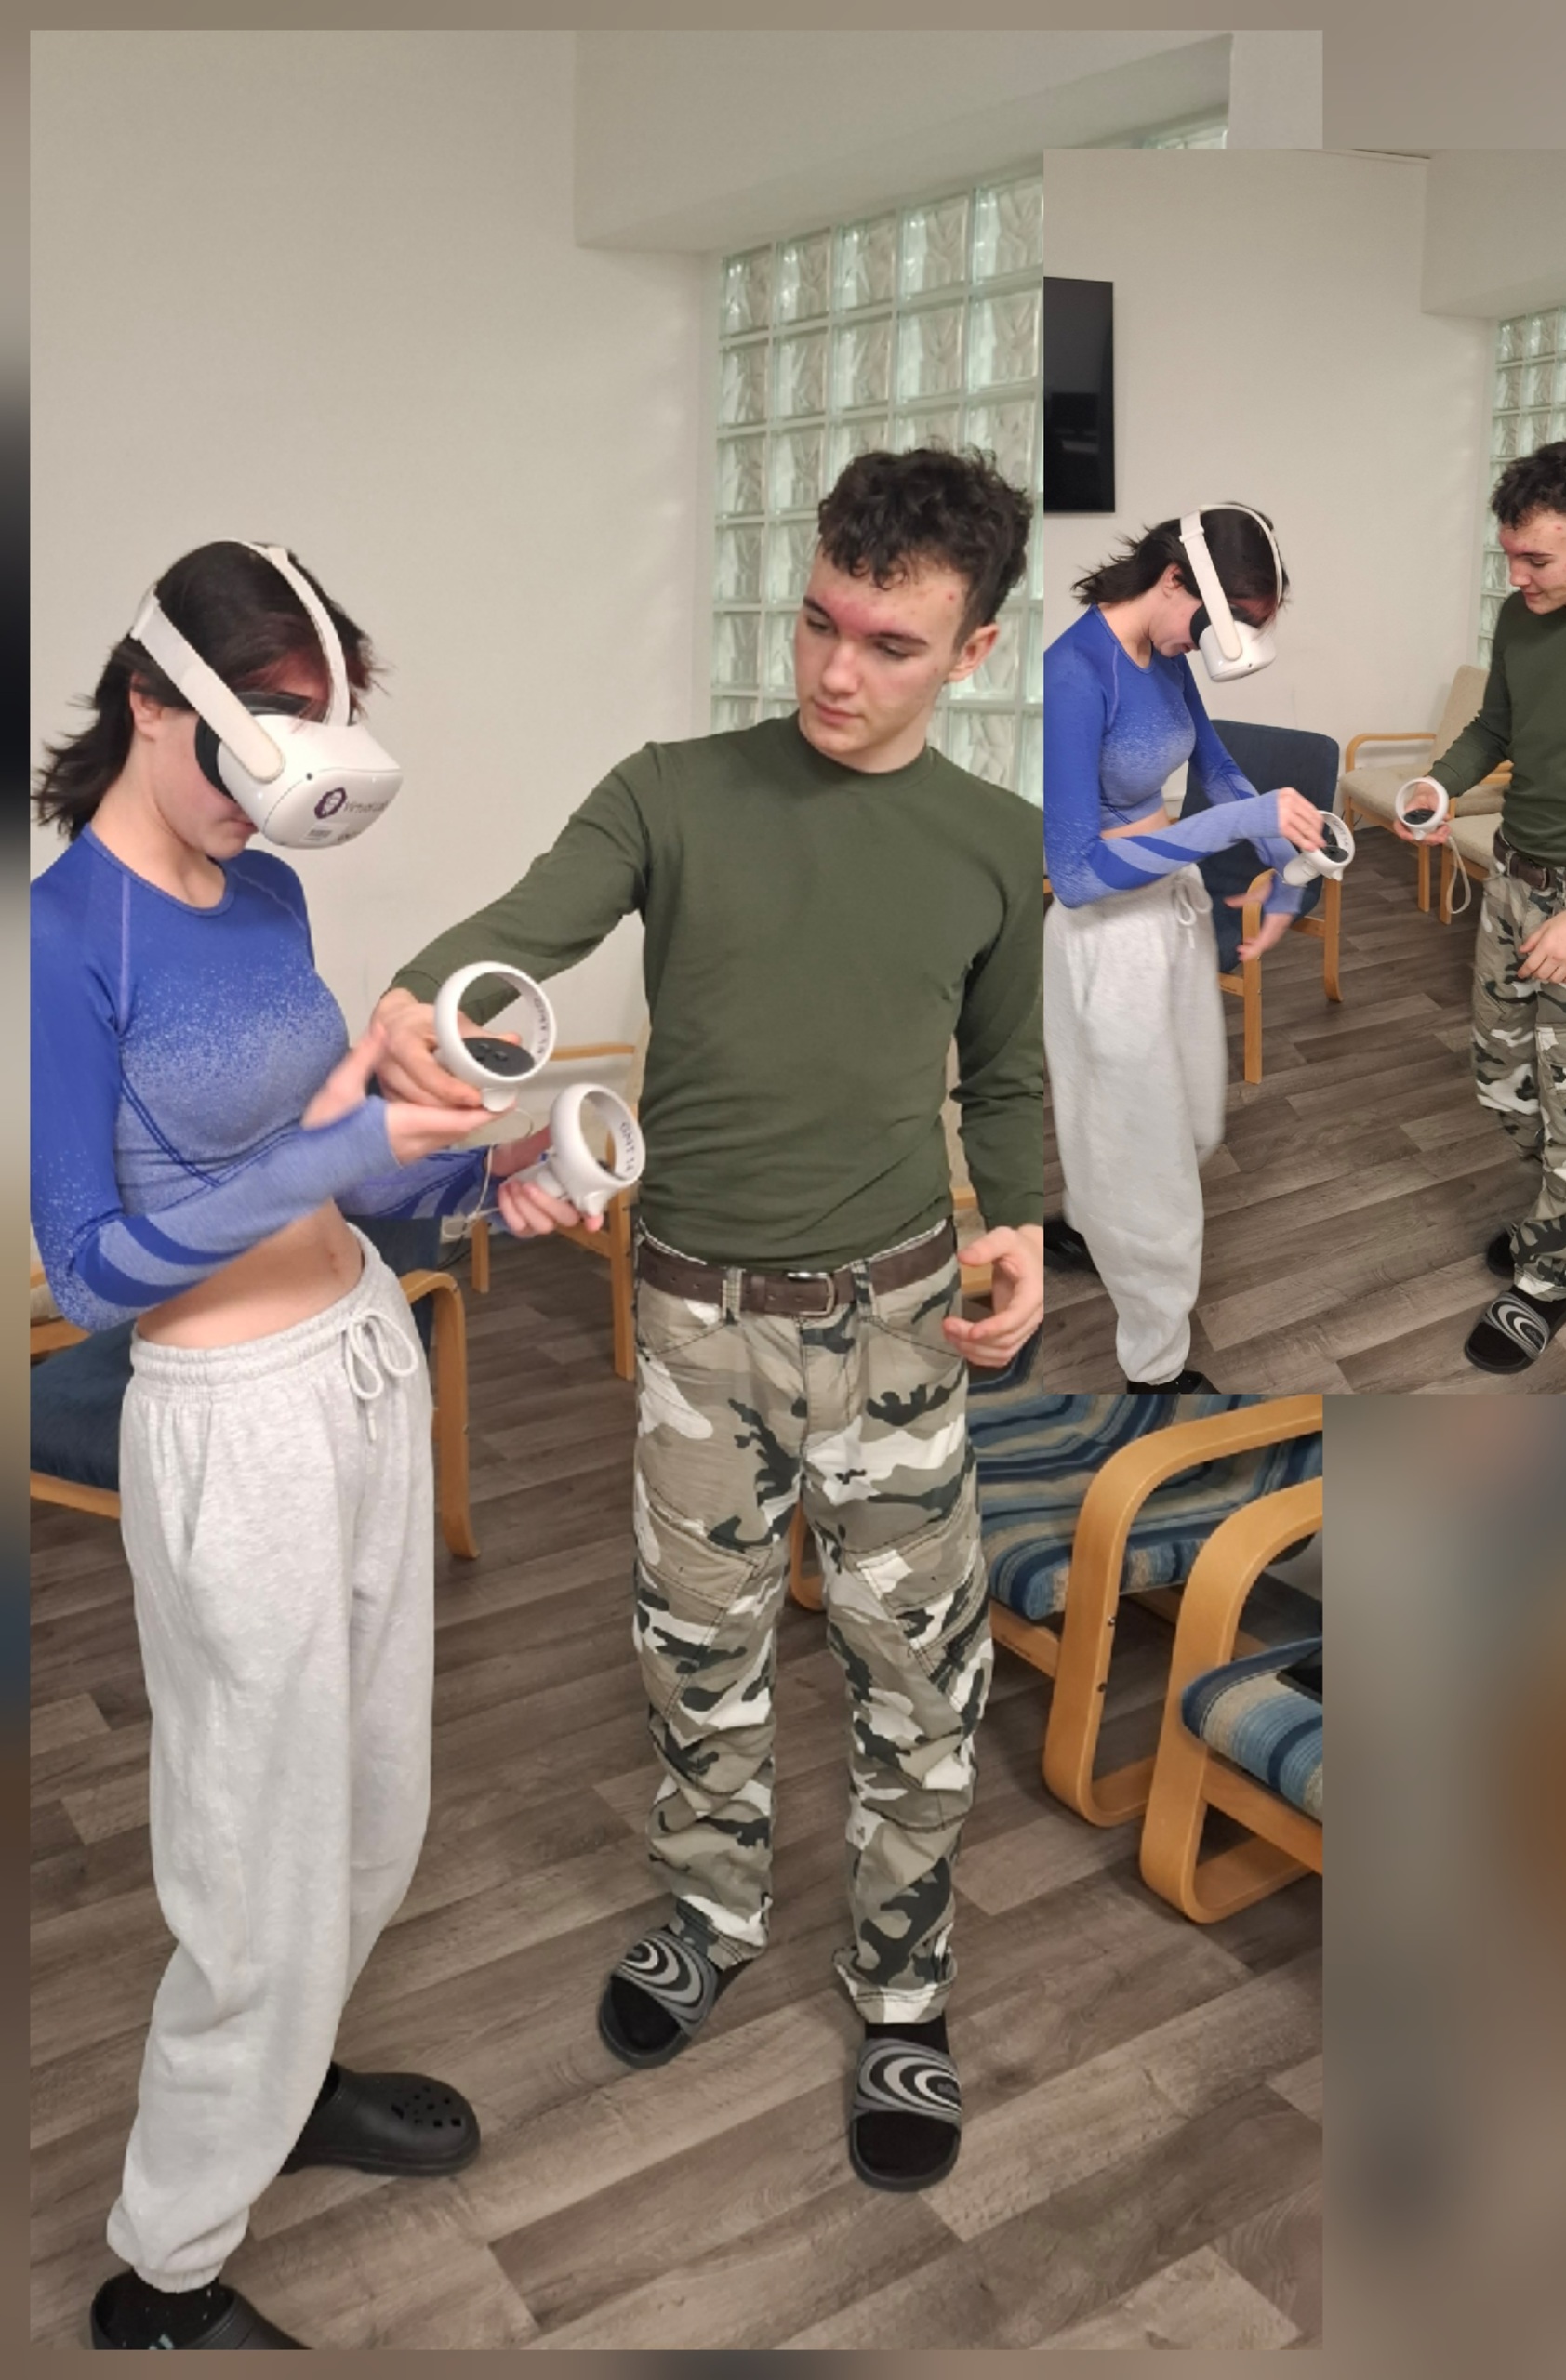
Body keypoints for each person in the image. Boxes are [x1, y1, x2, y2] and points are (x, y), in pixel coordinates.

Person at [370, 448, 1043, 2194]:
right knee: (698, 1649)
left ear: (973, 651)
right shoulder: (670, 792)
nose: (834, 670)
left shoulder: (996, 844)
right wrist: (423, 1000)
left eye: (889, 644)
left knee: (921, 1677)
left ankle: (902, 1989)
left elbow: (1004, 1067)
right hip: (693, 1328)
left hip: (897, 1324)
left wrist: (1025, 1222)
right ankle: (712, 1908)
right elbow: (519, 933)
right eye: (819, 621)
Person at [30, 541, 557, 2351]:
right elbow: (89, 1264)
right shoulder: (71, 934)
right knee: (251, 1853)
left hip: (360, 1355)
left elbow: (326, 1153)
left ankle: (292, 2076)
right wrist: (339, 1154)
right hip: (230, 1421)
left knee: (369, 1793)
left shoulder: (259, 890)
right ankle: (165, 2269)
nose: (280, 788)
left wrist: (477, 1179)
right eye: (263, 734)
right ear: (155, 701)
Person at [1394, 438, 1566, 1375]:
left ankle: (1550, 1276)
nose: (1517, 577)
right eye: (1509, 555)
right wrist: (1439, 783)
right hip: (1512, 886)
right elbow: (1496, 726)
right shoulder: (1522, 616)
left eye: (1537, 559)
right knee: (1503, 1081)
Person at [1042, 509, 1328, 1390]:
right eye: (1221, 624)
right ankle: (1155, 1367)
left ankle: (1086, 1225)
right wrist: (1230, 827)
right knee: (1152, 1168)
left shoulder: (1166, 658)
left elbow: (1219, 772)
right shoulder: (1072, 673)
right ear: (1176, 580)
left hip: (1171, 909)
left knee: (1195, 1122)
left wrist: (1288, 862)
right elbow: (1076, 873)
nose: (1209, 649)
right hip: (1105, 941)